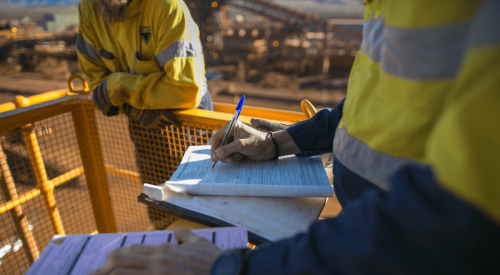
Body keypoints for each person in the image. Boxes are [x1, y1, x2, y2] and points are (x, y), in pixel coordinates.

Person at [94, 0, 500, 274]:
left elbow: (453, 222)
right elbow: (364, 106)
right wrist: (277, 143)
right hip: (369, 230)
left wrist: (230, 268)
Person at [76, 0, 213, 227]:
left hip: (188, 120)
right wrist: (136, 103)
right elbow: (94, 78)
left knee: (202, 208)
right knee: (159, 205)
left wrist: (118, 87)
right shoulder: (89, 9)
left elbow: (186, 89)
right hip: (141, 122)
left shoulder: (165, 7)